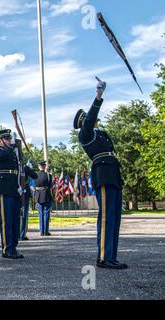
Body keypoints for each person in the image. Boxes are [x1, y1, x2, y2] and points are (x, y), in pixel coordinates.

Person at [74, 78, 127, 270]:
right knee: (106, 217)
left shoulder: (101, 134)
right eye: (87, 118)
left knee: (115, 217)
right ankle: (103, 257)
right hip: (102, 174)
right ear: (83, 121)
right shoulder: (86, 134)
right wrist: (98, 95)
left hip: (112, 174)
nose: (93, 119)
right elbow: (90, 119)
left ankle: (111, 256)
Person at [0, 129, 37, 259]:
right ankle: (7, 249)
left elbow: (22, 167)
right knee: (6, 220)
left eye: (9, 139)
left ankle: (14, 246)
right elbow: (0, 157)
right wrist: (14, 149)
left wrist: (33, 171)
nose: (9, 141)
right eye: (6, 139)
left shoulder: (14, 154)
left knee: (15, 220)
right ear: (0, 141)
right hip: (3, 188)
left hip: (15, 189)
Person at [35, 161, 53, 236]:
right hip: (46, 195)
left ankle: (41, 231)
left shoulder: (35, 175)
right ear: (44, 166)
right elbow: (50, 185)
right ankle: (46, 231)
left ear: (39, 167)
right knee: (46, 213)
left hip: (38, 195)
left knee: (40, 213)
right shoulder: (48, 175)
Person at [20, 163, 35, 241]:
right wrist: (29, 168)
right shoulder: (25, 168)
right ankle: (22, 234)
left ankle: (17, 234)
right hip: (24, 192)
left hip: (14, 191)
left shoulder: (13, 165)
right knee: (24, 215)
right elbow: (35, 176)